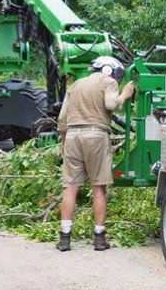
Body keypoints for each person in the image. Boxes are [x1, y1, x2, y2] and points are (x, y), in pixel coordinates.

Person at [55, 56, 134, 252]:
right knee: (99, 188)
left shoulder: (75, 85)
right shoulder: (108, 82)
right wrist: (125, 94)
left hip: (72, 136)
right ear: (109, 70)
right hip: (95, 136)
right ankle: (99, 239)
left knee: (70, 188)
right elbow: (111, 104)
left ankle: (65, 238)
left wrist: (64, 143)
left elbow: (62, 118)